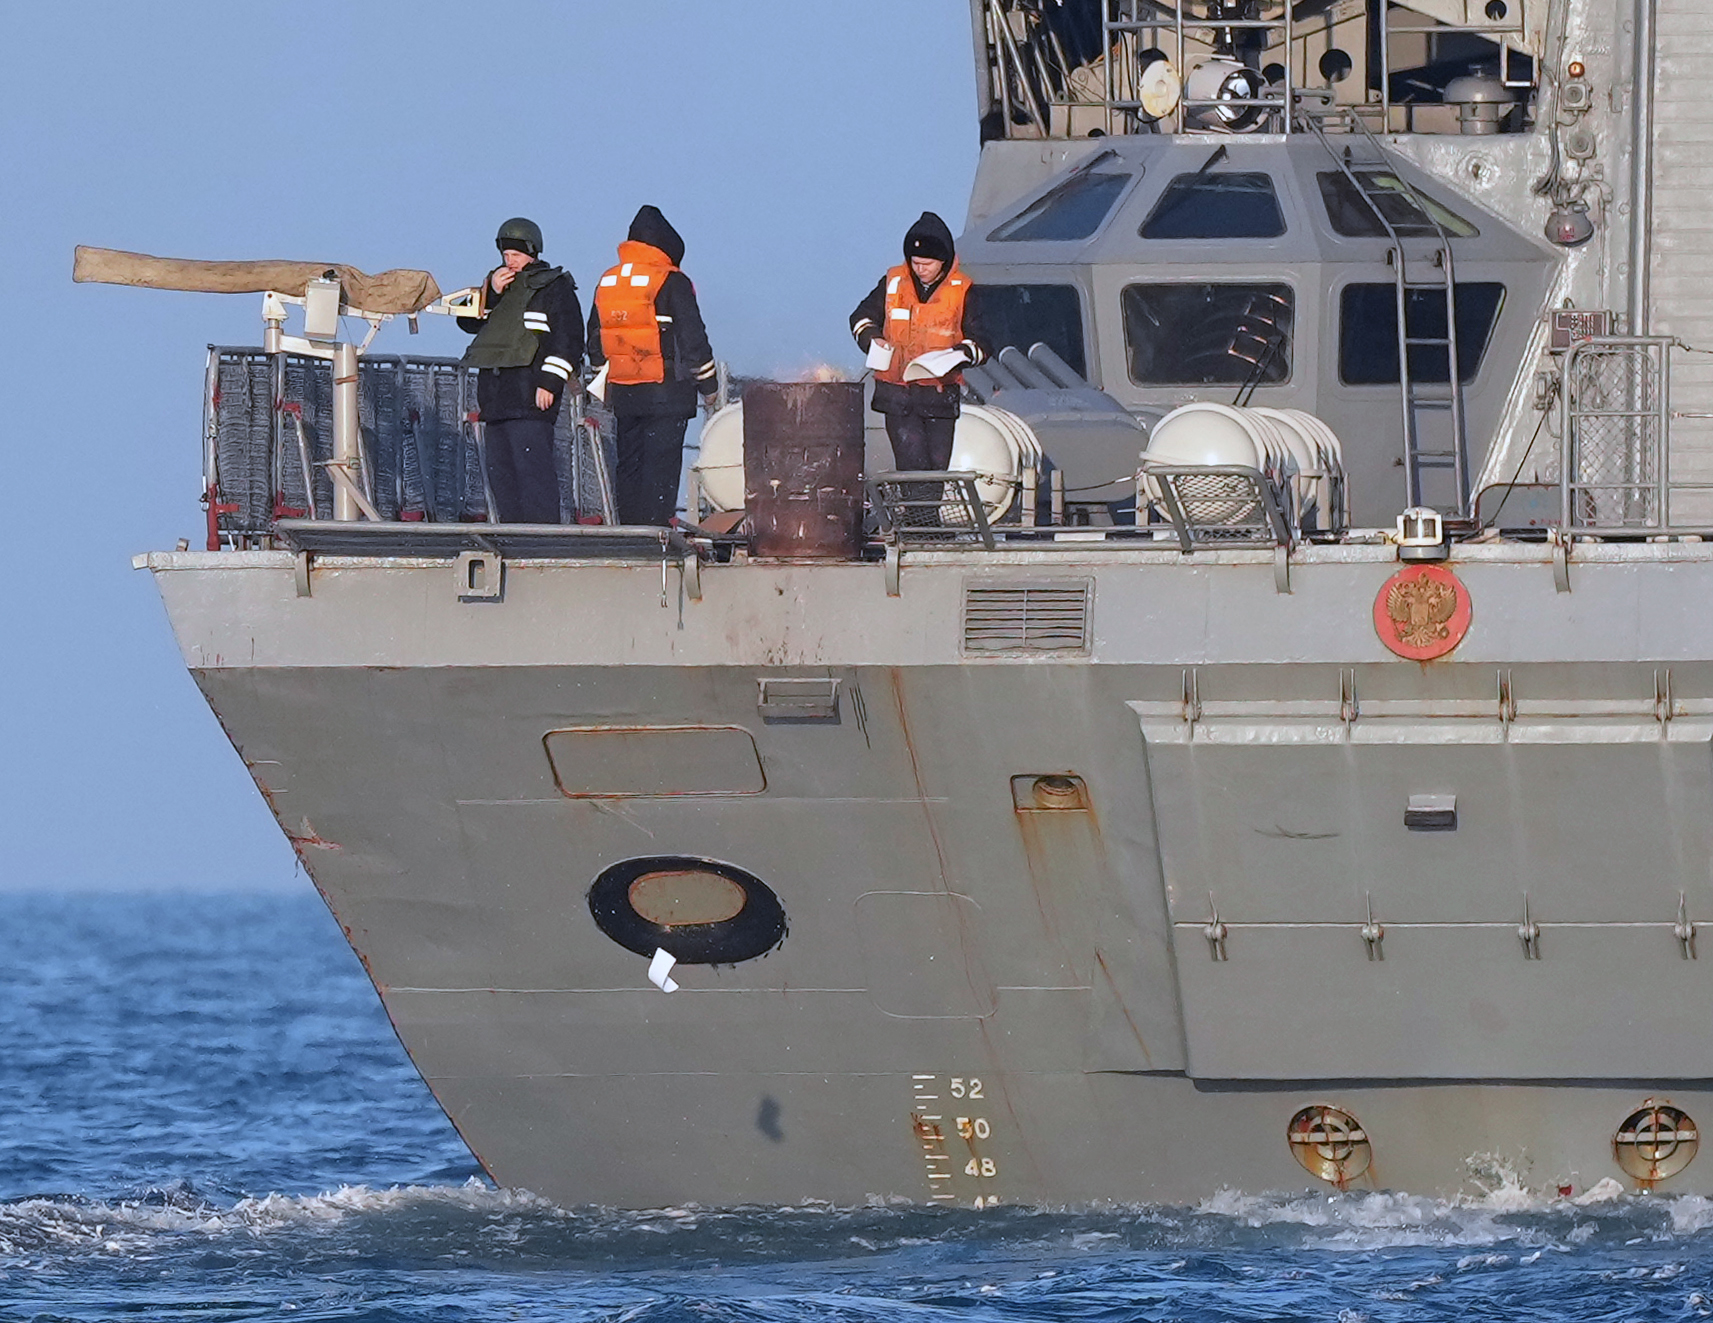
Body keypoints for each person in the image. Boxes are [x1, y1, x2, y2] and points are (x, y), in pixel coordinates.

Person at [587, 206, 719, 525]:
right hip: (668, 392)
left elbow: (594, 340)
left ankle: (629, 532)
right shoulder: (671, 281)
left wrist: (605, 378)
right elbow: (693, 338)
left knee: (629, 464)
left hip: (625, 392)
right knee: (659, 469)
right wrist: (709, 386)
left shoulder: (608, 281)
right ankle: (656, 533)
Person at [458, 217, 584, 523]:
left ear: (532, 252)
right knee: (502, 476)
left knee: (533, 474)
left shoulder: (554, 287)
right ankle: (513, 538)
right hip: (496, 398)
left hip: (529, 397)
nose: (509, 261)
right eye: (505, 255)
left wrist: (550, 383)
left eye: (515, 254)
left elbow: (567, 340)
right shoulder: (497, 286)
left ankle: (542, 541)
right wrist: (491, 295)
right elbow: (466, 321)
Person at [849, 211, 989, 473]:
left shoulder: (963, 289)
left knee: (935, 471)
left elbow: (983, 342)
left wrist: (961, 353)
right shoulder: (893, 282)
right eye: (915, 262)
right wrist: (872, 340)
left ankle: (926, 515)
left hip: (939, 396)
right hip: (897, 394)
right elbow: (861, 317)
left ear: (943, 261)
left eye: (927, 264)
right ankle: (913, 514)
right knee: (912, 467)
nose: (920, 269)